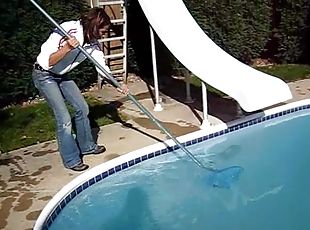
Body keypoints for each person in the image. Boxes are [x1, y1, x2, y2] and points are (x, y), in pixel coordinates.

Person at [32, 7, 128, 172]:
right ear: (94, 25)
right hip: (44, 75)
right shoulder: (67, 29)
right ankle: (71, 159)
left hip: (61, 76)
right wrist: (67, 48)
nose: (103, 34)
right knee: (64, 118)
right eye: (102, 30)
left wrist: (117, 85)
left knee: (82, 108)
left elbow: (102, 69)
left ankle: (87, 146)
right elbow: (47, 62)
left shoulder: (93, 44)